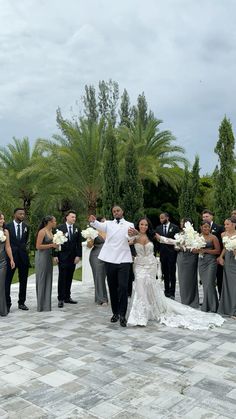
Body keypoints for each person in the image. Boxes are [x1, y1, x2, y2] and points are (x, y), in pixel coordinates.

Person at [127, 217, 224, 329]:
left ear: (148, 226)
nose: (144, 227)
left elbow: (165, 240)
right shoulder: (134, 237)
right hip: (139, 265)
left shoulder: (152, 236)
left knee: (150, 287)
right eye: (141, 224)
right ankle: (140, 315)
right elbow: (124, 242)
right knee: (140, 288)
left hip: (151, 265)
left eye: (146, 225)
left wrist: (179, 242)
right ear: (138, 225)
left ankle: (150, 312)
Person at [89, 205, 134, 327]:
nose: (116, 212)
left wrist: (132, 235)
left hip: (124, 259)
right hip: (110, 259)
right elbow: (99, 225)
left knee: (123, 288)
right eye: (114, 211)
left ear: (122, 211)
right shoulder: (108, 223)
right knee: (112, 287)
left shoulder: (129, 224)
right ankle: (115, 313)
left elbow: (131, 237)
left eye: (118, 210)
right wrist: (93, 221)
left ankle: (123, 315)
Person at [157, 218, 199, 308]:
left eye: (182, 222)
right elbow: (175, 246)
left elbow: (196, 246)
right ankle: (184, 300)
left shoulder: (194, 234)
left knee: (191, 279)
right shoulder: (179, 234)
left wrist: (186, 247)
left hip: (191, 258)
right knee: (182, 279)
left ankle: (192, 300)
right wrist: (179, 247)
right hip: (181, 258)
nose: (180, 223)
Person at [54, 210, 82, 308]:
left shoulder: (77, 228)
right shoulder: (59, 228)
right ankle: (60, 298)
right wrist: (55, 255)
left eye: (75, 217)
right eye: (72, 217)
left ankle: (67, 297)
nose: (74, 219)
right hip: (62, 256)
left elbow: (79, 244)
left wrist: (78, 256)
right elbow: (56, 243)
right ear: (67, 217)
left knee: (70, 276)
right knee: (62, 277)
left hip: (73, 257)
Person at [5, 207, 30, 312]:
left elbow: (24, 241)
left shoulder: (26, 227)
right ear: (15, 214)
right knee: (8, 281)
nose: (22, 216)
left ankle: (22, 302)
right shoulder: (7, 226)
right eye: (20, 214)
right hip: (11, 258)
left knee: (23, 281)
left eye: (23, 214)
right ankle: (7, 303)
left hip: (23, 257)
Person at [195, 222, 220, 312]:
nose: (206, 228)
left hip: (211, 262)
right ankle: (208, 305)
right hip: (201, 262)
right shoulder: (197, 237)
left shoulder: (213, 237)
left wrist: (205, 250)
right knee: (205, 284)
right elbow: (193, 250)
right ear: (201, 227)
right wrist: (197, 250)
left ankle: (213, 306)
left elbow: (218, 251)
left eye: (208, 227)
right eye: (204, 227)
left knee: (210, 283)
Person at [35, 215, 58, 312]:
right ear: (49, 222)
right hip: (42, 257)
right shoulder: (42, 231)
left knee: (48, 279)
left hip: (48, 257)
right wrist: (51, 245)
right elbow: (38, 246)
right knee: (42, 278)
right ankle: (41, 305)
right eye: (54, 221)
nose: (56, 223)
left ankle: (46, 305)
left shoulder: (51, 231)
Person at [155, 212, 180, 299]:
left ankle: (172, 292)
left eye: (162, 218)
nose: (161, 219)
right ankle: (166, 291)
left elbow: (177, 241)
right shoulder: (158, 228)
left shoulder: (175, 227)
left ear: (167, 218)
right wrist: (157, 251)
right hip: (162, 254)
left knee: (172, 273)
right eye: (160, 218)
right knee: (164, 273)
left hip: (172, 253)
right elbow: (157, 242)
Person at [201, 210, 224, 297]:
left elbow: (223, 244)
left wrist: (221, 257)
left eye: (206, 216)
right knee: (208, 280)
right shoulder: (201, 229)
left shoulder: (219, 227)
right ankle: (209, 299)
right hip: (205, 260)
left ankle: (221, 298)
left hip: (217, 258)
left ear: (211, 217)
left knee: (219, 279)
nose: (205, 218)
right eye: (203, 217)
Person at [87, 216, 108, 306]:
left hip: (108, 256)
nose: (105, 223)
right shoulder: (93, 232)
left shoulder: (109, 231)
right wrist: (90, 239)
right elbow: (89, 246)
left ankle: (99, 297)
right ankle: (102, 299)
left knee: (103, 277)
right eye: (103, 222)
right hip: (96, 256)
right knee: (99, 277)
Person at [218, 217, 236, 318]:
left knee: (234, 285)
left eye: (227, 224)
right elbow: (225, 247)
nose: (225, 226)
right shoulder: (223, 234)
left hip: (235, 260)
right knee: (228, 284)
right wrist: (221, 257)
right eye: (224, 224)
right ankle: (227, 308)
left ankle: (234, 309)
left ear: (234, 224)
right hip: (228, 261)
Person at [0, 212, 15, 316]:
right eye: (0, 219)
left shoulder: (5, 231)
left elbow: (8, 247)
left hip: (2, 262)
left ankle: (2, 310)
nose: (3, 221)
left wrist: (11, 259)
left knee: (1, 286)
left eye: (3, 219)